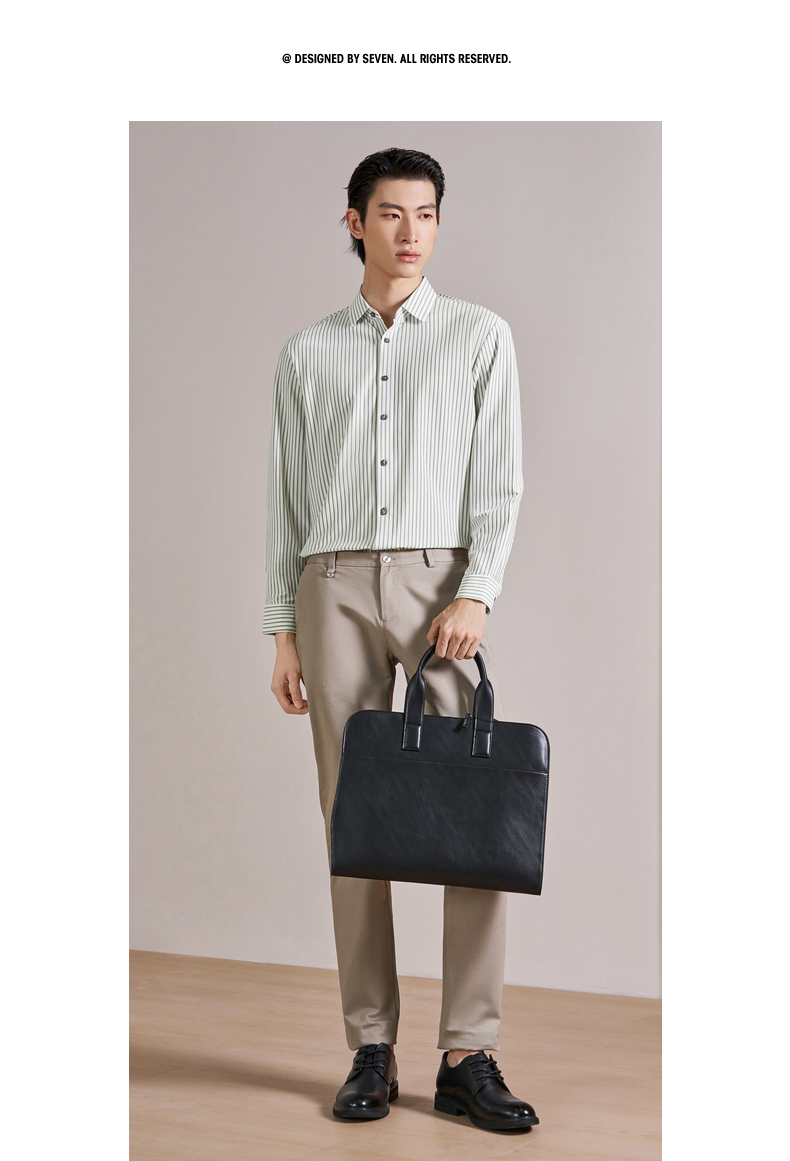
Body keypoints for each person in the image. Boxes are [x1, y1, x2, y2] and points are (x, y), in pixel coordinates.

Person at [262, 147, 538, 1132]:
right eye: (390, 213)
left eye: (425, 214)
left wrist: (478, 593)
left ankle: (467, 1052)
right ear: (354, 222)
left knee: (474, 815)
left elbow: (499, 481)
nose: (410, 231)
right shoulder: (307, 353)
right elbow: (284, 498)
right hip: (330, 584)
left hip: (437, 589)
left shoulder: (479, 336)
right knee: (352, 820)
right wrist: (281, 626)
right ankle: (369, 1046)